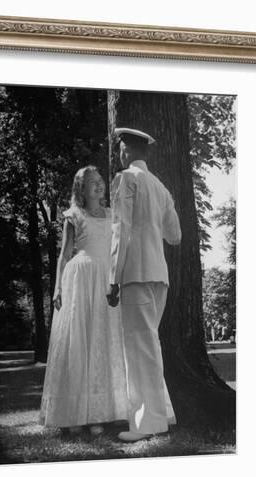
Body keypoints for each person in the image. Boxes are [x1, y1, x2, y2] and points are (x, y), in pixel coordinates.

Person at [40, 166, 128, 436]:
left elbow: (118, 250)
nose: (98, 186)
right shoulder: (73, 216)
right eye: (92, 183)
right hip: (79, 280)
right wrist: (57, 289)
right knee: (79, 341)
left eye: (100, 181)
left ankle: (102, 413)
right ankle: (75, 413)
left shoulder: (114, 214)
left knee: (103, 340)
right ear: (81, 189)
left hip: (106, 280)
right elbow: (64, 255)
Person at [107, 127, 182, 442]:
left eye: (121, 148)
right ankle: (160, 415)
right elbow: (174, 237)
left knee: (140, 351)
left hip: (136, 274)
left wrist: (112, 278)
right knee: (149, 346)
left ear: (126, 150)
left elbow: (120, 231)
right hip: (159, 276)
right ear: (146, 152)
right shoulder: (161, 187)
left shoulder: (127, 179)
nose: (120, 153)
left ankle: (146, 424)